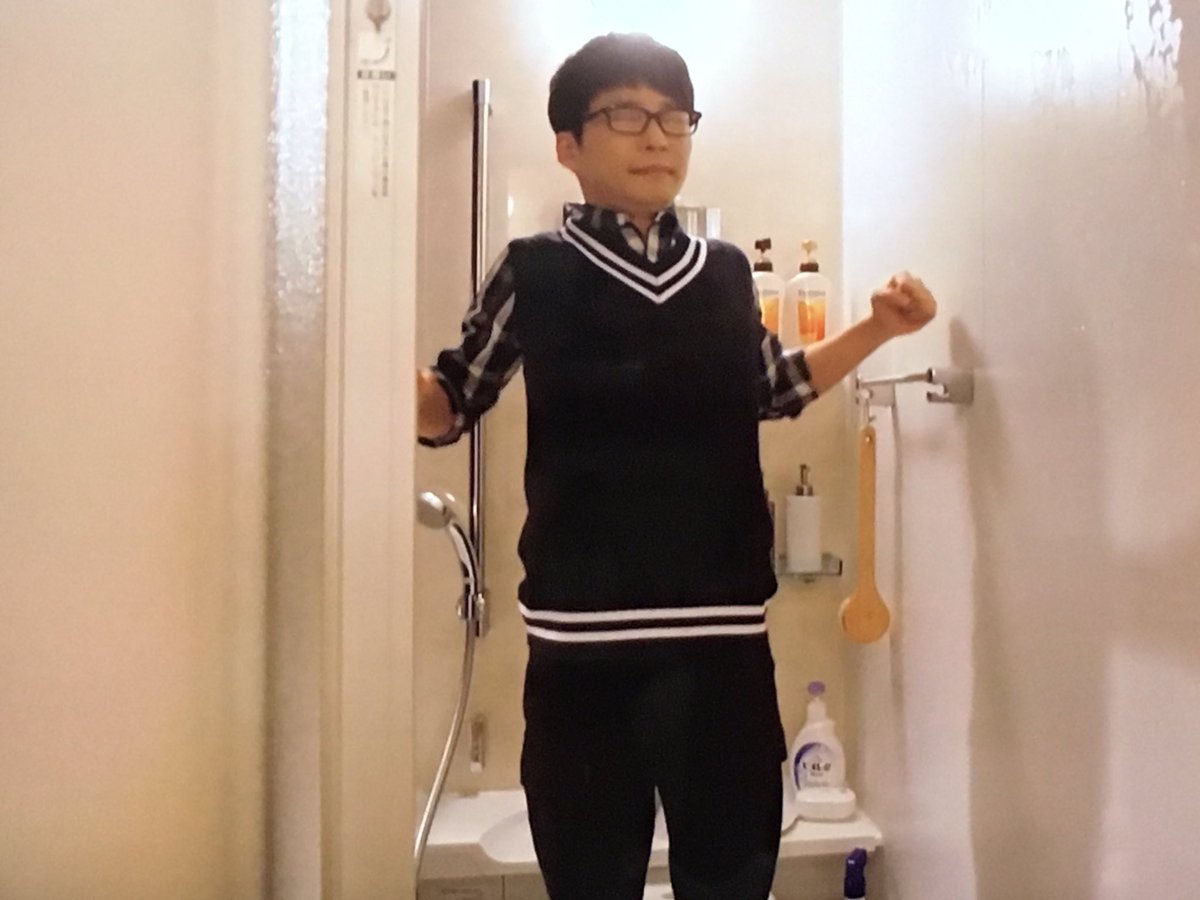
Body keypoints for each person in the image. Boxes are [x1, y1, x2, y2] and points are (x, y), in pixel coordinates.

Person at [417, 32, 935, 900]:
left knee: (733, 880)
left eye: (674, 118)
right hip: (582, 651)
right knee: (590, 881)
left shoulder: (723, 272)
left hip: (724, 645)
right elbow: (453, 399)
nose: (657, 136)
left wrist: (879, 327)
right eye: (626, 115)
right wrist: (365, 369)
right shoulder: (535, 271)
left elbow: (773, 387)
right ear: (568, 145)